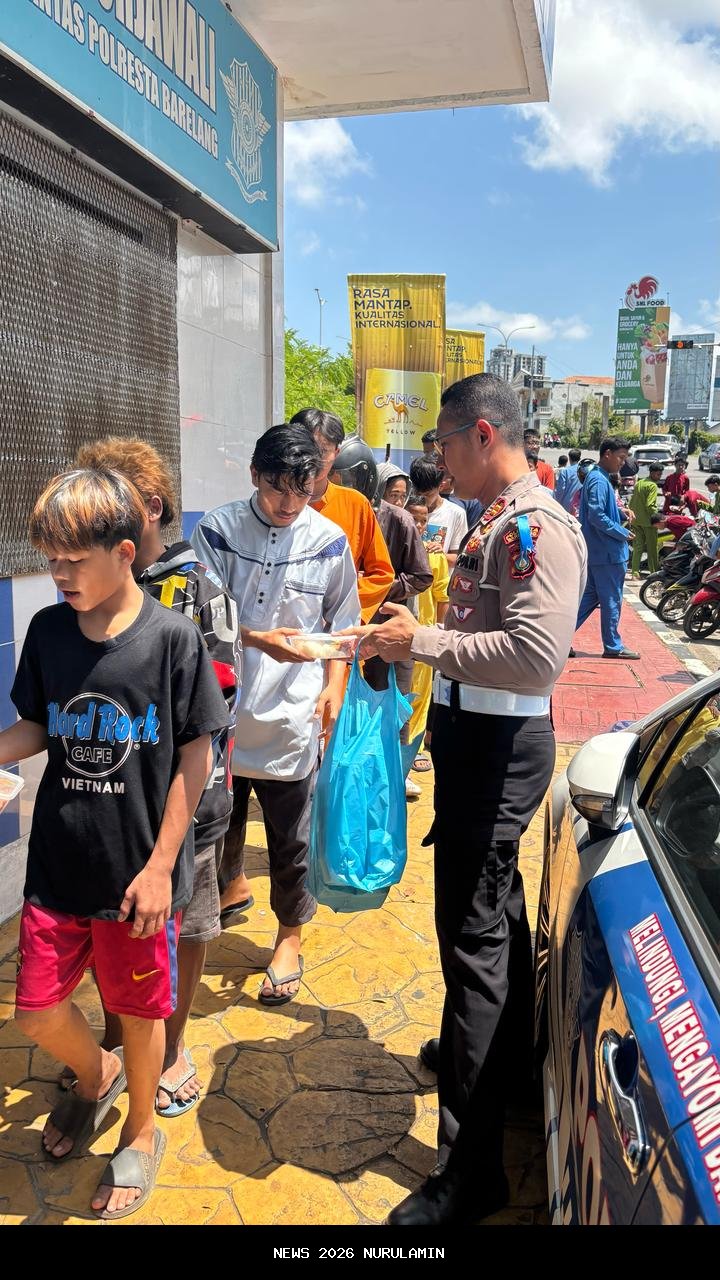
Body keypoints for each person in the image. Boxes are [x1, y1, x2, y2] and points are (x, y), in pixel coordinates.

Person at [347, 372, 587, 1225]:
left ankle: (472, 1169)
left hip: (498, 752)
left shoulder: (533, 526)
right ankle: (501, 1067)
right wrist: (414, 636)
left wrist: (426, 641)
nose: (435, 459)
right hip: (473, 745)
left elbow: (532, 657)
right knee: (491, 918)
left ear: (483, 434)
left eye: (443, 443)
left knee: (473, 942)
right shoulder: (497, 517)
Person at [1, 468, 229, 1219]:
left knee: (141, 1014)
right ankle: (95, 1076)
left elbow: (194, 753)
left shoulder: (171, 639)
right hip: (59, 863)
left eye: (73, 560)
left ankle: (138, 1128)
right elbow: (40, 723)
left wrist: (165, 866)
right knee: (35, 1010)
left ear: (125, 551)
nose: (58, 574)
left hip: (136, 873)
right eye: (50, 559)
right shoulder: (48, 632)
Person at [74, 437, 239, 1117]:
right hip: (111, 799)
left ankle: (170, 1045)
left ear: (148, 507)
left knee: (186, 920)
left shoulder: (196, 585)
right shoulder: (95, 581)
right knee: (114, 922)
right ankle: (119, 1038)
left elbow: (217, 706)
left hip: (185, 801)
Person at [192, 425, 360, 1004]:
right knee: (219, 830)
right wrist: (261, 640)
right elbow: (200, 621)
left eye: (302, 491)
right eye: (277, 490)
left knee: (289, 841)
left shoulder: (331, 540)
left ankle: (289, 937)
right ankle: (224, 899)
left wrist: (332, 687)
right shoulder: (217, 530)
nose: (289, 505)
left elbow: (342, 626)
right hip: (222, 712)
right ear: (254, 476)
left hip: (292, 717)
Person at [333, 439, 432, 796]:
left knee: (392, 704)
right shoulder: (335, 513)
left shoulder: (399, 519)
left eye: (343, 479)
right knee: (349, 707)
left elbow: (422, 576)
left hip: (390, 629)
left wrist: (376, 589)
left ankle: (394, 774)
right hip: (348, 629)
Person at [289, 408, 394, 624]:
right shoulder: (274, 502)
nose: (313, 459)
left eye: (322, 451)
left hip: (334, 641)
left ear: (336, 453)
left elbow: (381, 574)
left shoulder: (356, 504)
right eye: (305, 449)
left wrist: (343, 614)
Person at [574, 437, 639, 660]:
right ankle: (613, 646)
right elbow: (597, 515)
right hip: (608, 553)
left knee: (588, 599)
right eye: (621, 457)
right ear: (607, 454)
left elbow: (601, 510)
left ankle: (557, 638)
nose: (623, 462)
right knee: (612, 600)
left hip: (598, 553)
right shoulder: (599, 480)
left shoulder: (598, 477)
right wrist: (622, 533)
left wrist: (621, 513)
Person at [404, 493, 449, 771]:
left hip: (424, 636)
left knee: (420, 695)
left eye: (424, 521)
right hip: (399, 637)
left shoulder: (435, 556)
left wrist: (439, 634)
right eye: (414, 519)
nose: (419, 526)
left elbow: (442, 598)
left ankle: (413, 751)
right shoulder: (395, 547)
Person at [408, 456, 467, 568]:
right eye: (418, 494)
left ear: (441, 486)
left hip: (440, 583)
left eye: (428, 494)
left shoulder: (456, 514)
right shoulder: (405, 511)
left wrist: (441, 555)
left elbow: (459, 560)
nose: (422, 499)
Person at [628, 462, 662, 578]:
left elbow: (632, 502)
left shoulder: (640, 483)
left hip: (636, 521)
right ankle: (654, 573)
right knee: (652, 548)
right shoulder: (652, 485)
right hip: (649, 522)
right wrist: (659, 516)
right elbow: (650, 505)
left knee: (638, 548)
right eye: (658, 475)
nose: (659, 477)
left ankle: (635, 572)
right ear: (652, 473)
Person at [553, 447, 582, 513]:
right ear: (579, 459)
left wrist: (556, 503)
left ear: (569, 458)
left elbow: (560, 490)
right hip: (579, 506)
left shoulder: (565, 471)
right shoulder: (583, 471)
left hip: (566, 506)